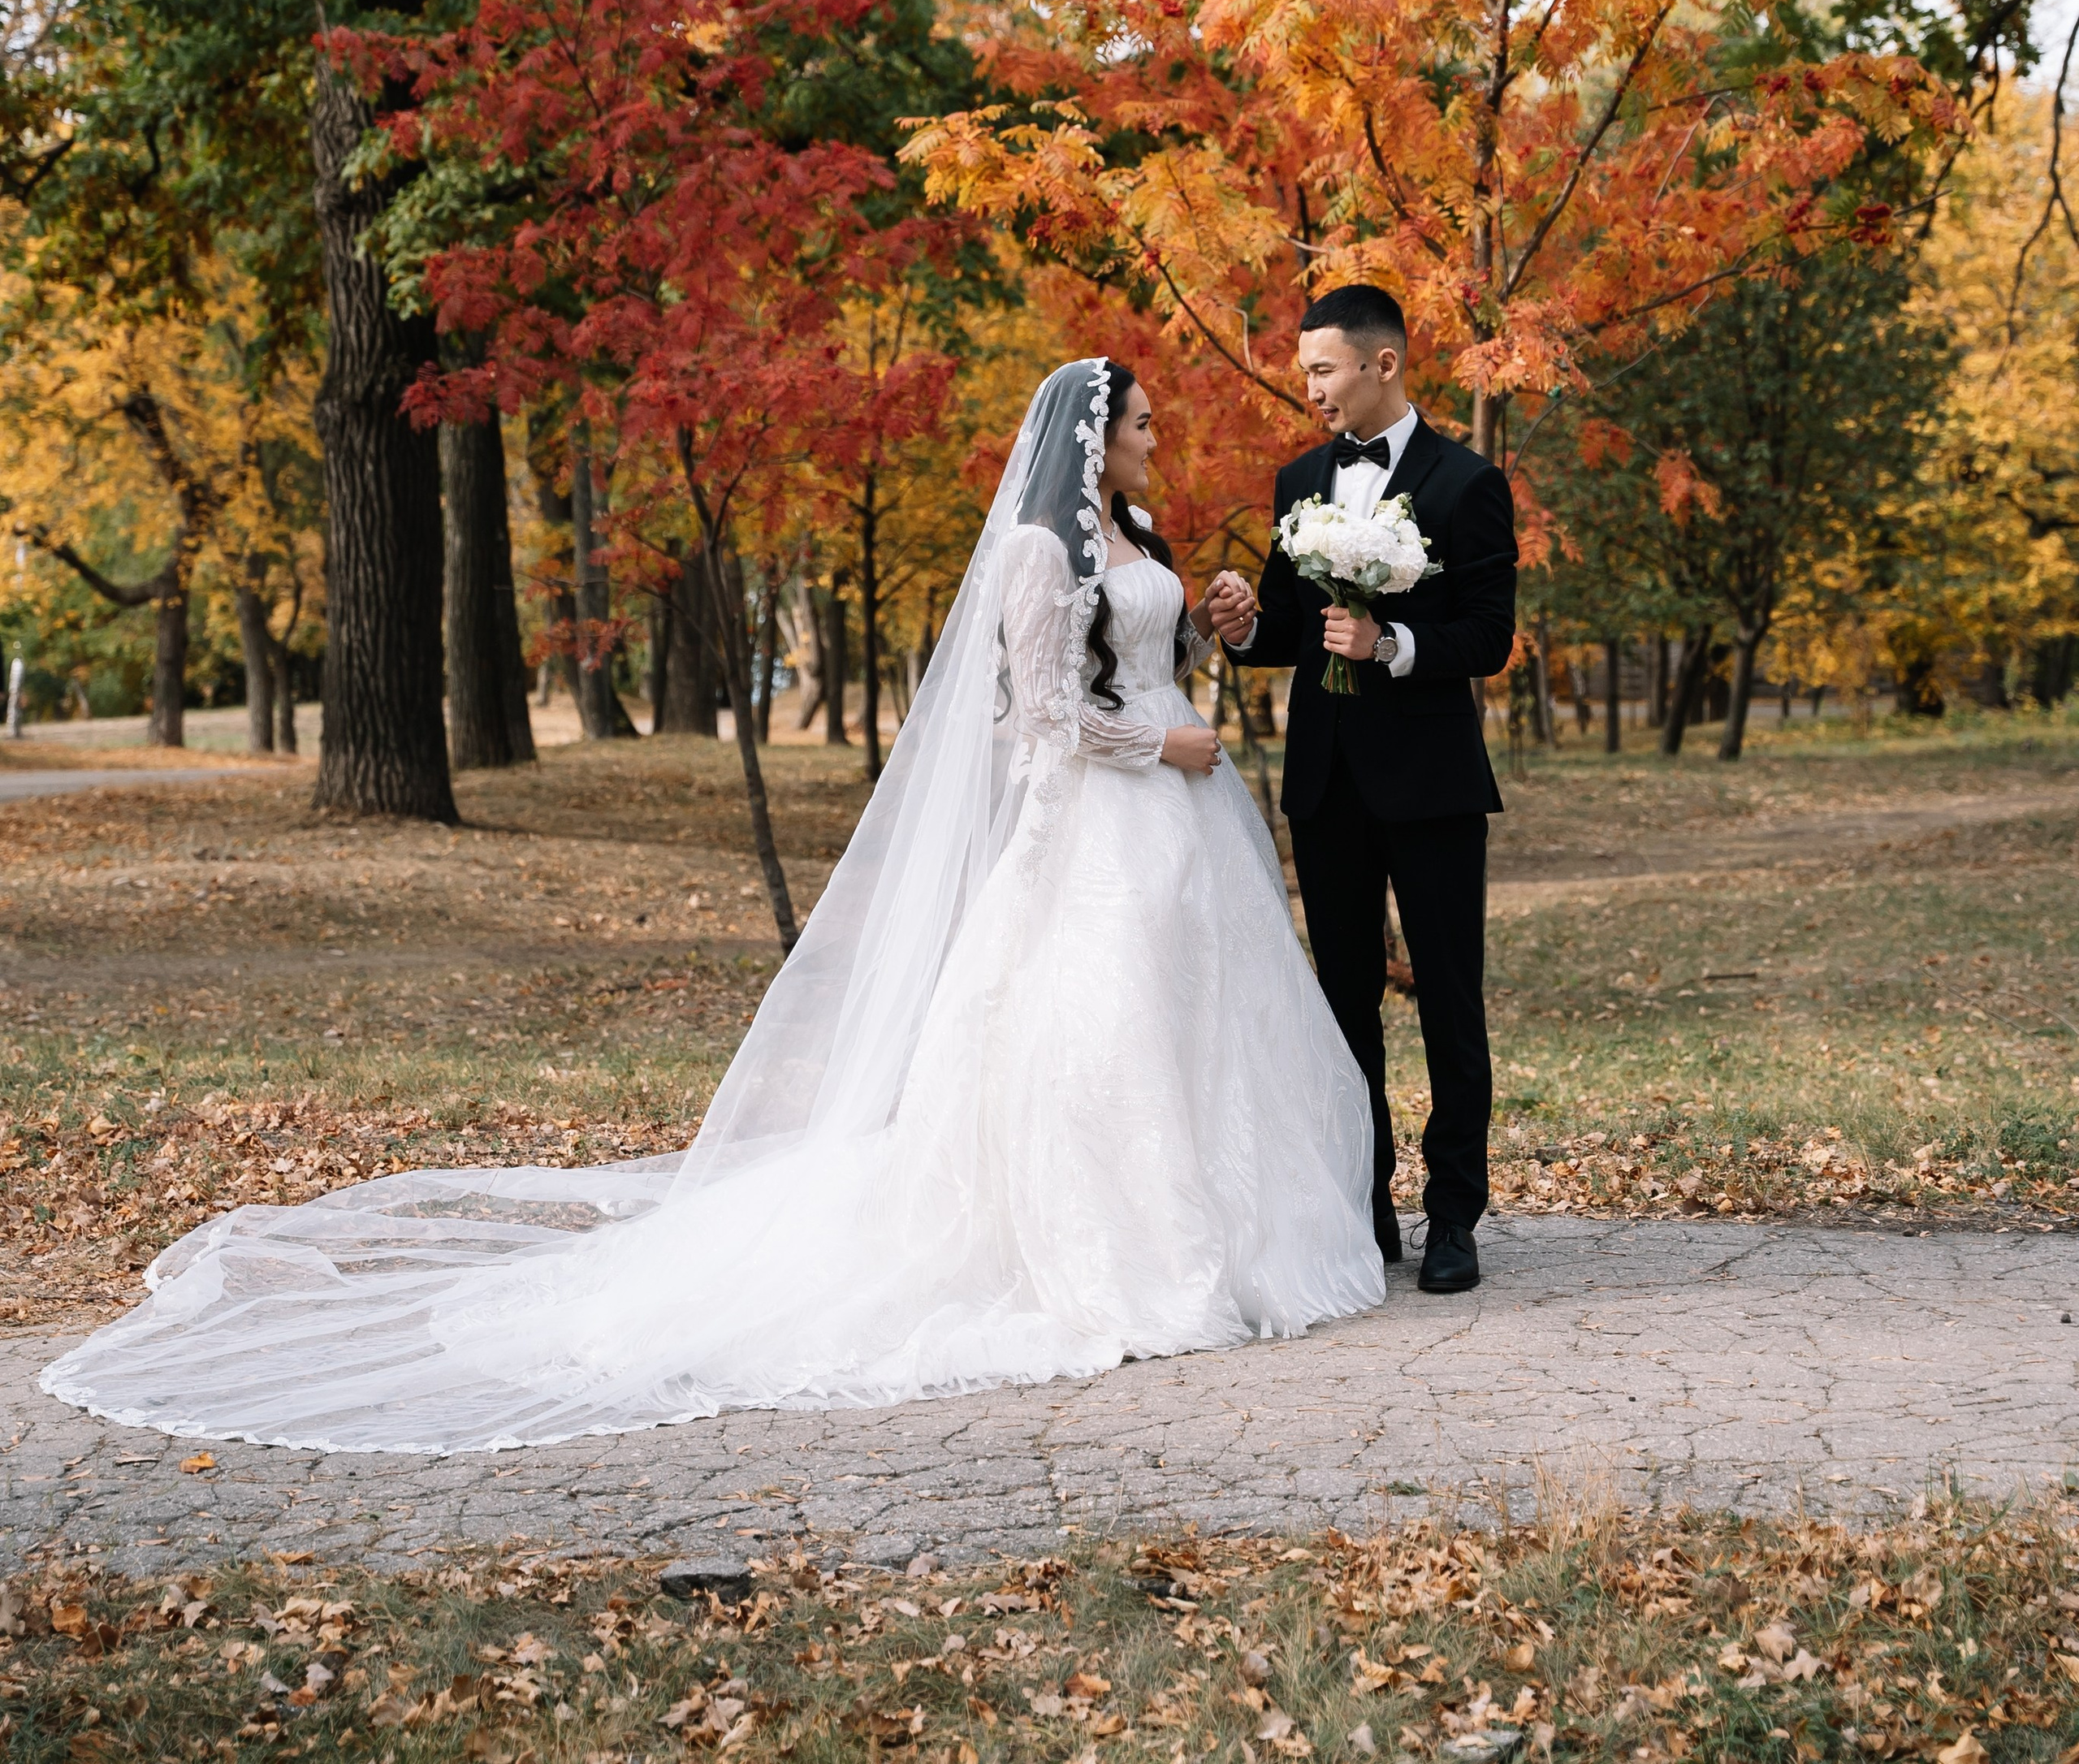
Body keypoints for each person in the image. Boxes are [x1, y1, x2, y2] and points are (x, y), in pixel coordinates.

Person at [45, 360, 1381, 1455]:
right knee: (1092, 1025)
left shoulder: (1137, 537)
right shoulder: (1036, 549)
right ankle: (1108, 1251)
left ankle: (1221, 1234)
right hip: (1097, 819)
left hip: (1179, 824)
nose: (1156, 437)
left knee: (1189, 1020)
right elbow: (1043, 714)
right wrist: (1163, 745)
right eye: (1142, 421)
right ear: (1091, 433)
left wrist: (1210, 619)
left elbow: (1134, 650)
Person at [1207, 286, 1516, 1295]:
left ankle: (1454, 1214)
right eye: (1304, 371)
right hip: (1327, 782)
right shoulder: (1299, 480)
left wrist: (1391, 644)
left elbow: (1488, 634)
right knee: (1341, 1005)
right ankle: (1363, 1203)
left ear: (1383, 363)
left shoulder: (1467, 482)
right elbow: (1291, 630)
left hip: (1433, 785)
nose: (1310, 388)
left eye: (1322, 368)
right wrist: (1247, 626)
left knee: (1449, 1003)